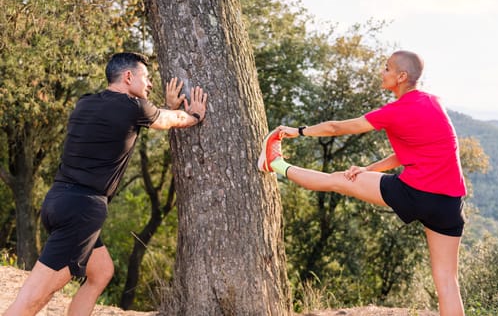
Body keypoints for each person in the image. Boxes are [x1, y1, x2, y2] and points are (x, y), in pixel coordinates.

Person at [258, 50, 466, 316]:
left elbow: (336, 128)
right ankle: (274, 164)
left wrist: (297, 131)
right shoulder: (435, 103)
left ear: (401, 76)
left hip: (413, 192)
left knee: (336, 181)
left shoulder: (394, 112)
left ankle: (273, 163)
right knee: (447, 282)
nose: (382, 72)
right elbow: (408, 153)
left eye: (387, 68)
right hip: (449, 204)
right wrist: (367, 169)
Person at [4, 52, 208, 316]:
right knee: (33, 298)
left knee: (101, 272)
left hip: (57, 201)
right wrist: (194, 115)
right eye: (146, 78)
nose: (149, 85)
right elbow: (170, 120)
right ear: (128, 76)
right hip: (82, 210)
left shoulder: (85, 103)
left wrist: (166, 107)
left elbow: (138, 117)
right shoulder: (134, 109)